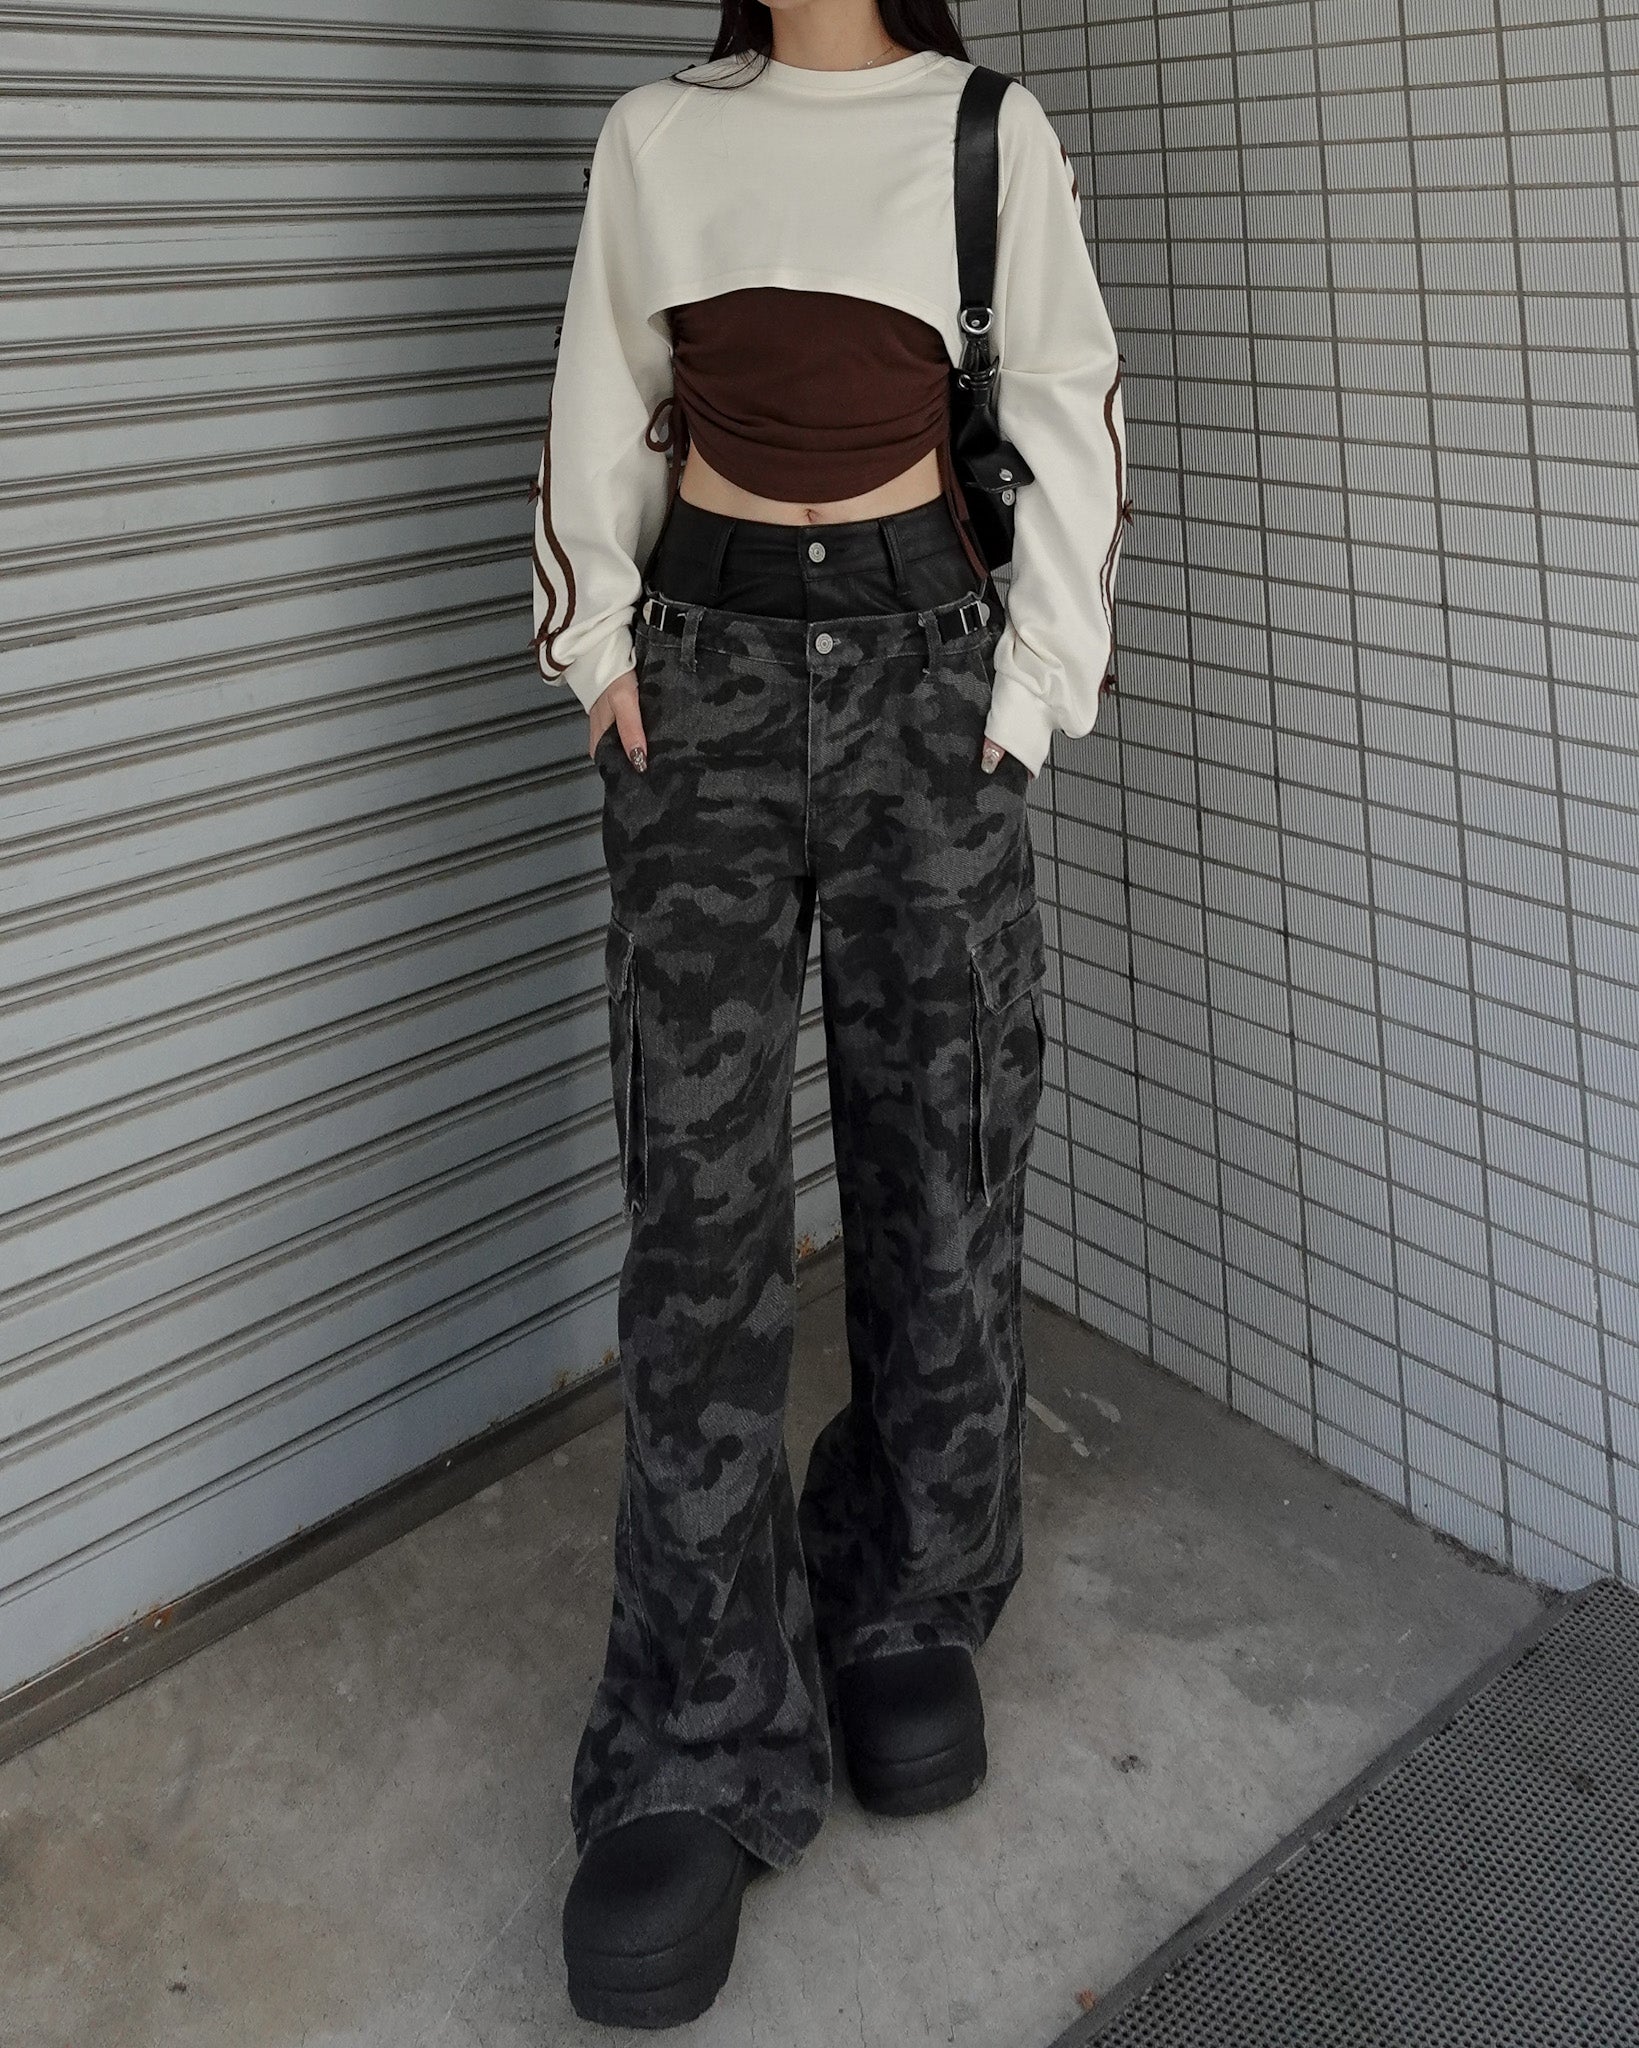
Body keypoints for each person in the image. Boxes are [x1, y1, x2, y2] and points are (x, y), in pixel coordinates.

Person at [529, 0, 1128, 2026]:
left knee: (943, 1168)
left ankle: (904, 1590)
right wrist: (598, 652)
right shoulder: (659, 137)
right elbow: (598, 395)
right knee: (698, 1229)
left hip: (923, 688)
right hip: (698, 689)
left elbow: (1065, 399)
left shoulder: (983, 132)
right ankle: (694, 1729)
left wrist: (1026, 699)